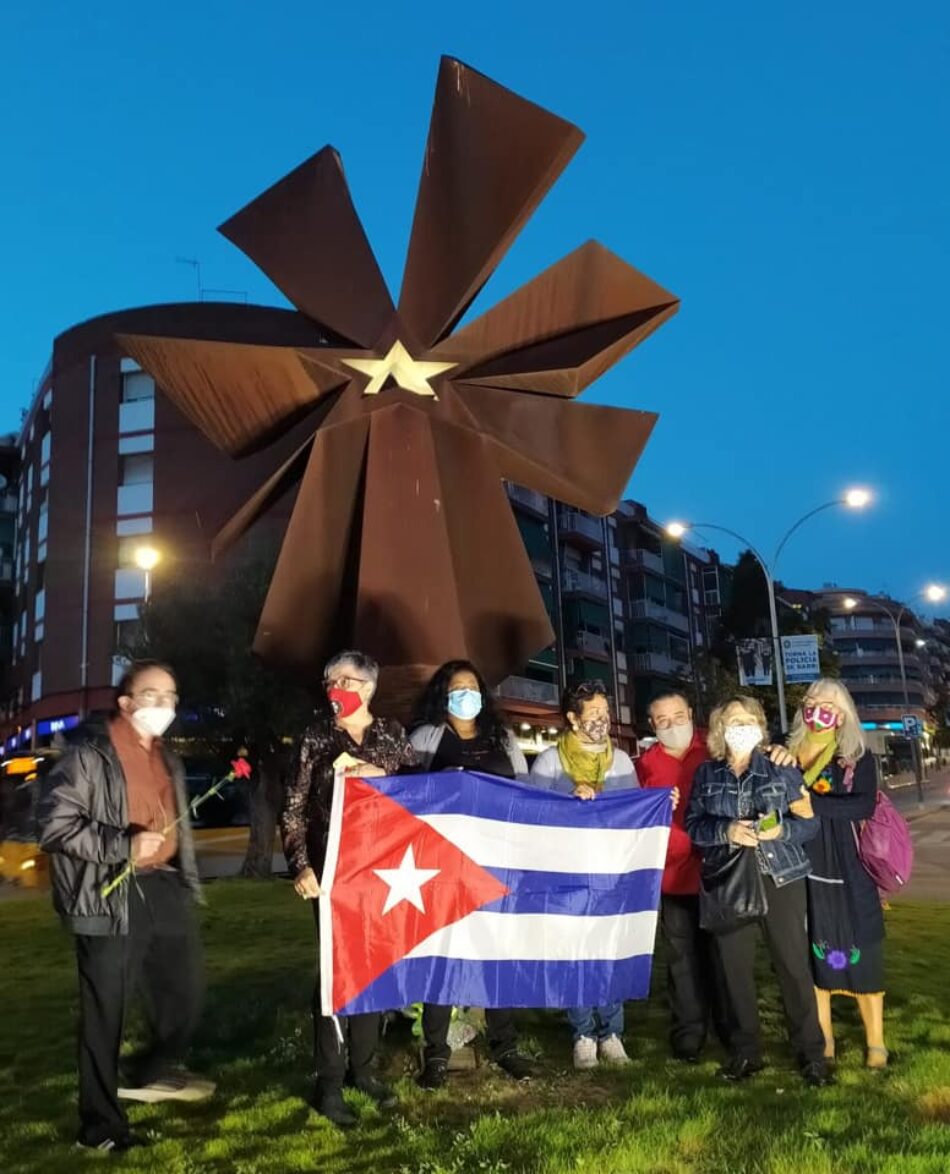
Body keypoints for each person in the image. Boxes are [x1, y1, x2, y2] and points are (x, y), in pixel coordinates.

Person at [38, 660, 211, 1154]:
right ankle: (99, 1129)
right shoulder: (89, 755)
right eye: (153, 695)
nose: (165, 705)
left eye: (172, 696)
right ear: (126, 702)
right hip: (109, 892)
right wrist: (122, 846)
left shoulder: (167, 757)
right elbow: (54, 826)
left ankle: (144, 1071)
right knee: (104, 1014)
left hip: (164, 887)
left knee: (185, 994)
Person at [281, 650, 416, 1128]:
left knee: (373, 970)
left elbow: (420, 792)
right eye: (329, 679)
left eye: (346, 679)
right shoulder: (316, 737)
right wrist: (300, 865)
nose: (335, 686)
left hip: (384, 873)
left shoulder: (393, 736)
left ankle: (364, 1069)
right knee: (337, 974)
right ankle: (330, 1083)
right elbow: (294, 806)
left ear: (369, 688)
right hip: (332, 874)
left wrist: (386, 777)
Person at [639, 691, 799, 1062]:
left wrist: (780, 753)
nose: (671, 724)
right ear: (652, 724)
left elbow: (752, 763)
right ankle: (689, 1036)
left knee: (725, 961)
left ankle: (732, 1034)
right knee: (682, 960)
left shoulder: (712, 751)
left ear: (690, 713)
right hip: (674, 875)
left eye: (677, 715)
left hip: (721, 872)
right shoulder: (644, 764)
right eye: (662, 719)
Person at [685, 695, 833, 1087]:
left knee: (793, 968)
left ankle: (811, 1054)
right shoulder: (706, 775)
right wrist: (726, 831)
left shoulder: (782, 768)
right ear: (719, 728)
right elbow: (695, 827)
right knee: (734, 972)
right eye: (733, 720)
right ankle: (745, 1053)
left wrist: (781, 830)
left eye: (749, 719)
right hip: (730, 881)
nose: (742, 726)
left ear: (761, 726)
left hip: (780, 877)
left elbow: (810, 825)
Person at [410, 660, 535, 1088]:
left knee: (496, 954)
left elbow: (526, 794)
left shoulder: (503, 738)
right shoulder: (426, 738)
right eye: (457, 688)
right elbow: (405, 795)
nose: (466, 694)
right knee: (442, 955)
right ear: (443, 695)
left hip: (496, 861)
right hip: (444, 866)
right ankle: (437, 1053)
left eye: (472, 687)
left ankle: (505, 1045)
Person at [530, 680, 641, 1069]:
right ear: (573, 718)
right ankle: (582, 1034)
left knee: (609, 952)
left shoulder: (622, 762)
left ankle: (612, 1032)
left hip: (611, 873)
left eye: (605, 712)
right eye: (592, 713)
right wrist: (567, 802)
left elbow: (635, 815)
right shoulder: (548, 763)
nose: (601, 720)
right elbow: (534, 816)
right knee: (576, 954)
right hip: (567, 875)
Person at [788, 679, 888, 1069]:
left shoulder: (857, 756)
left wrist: (815, 805)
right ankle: (823, 1038)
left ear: (842, 711)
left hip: (847, 862)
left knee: (863, 946)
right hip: (802, 860)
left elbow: (863, 805)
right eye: (812, 701)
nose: (818, 708)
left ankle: (876, 1042)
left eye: (828, 702)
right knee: (811, 947)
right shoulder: (788, 751)